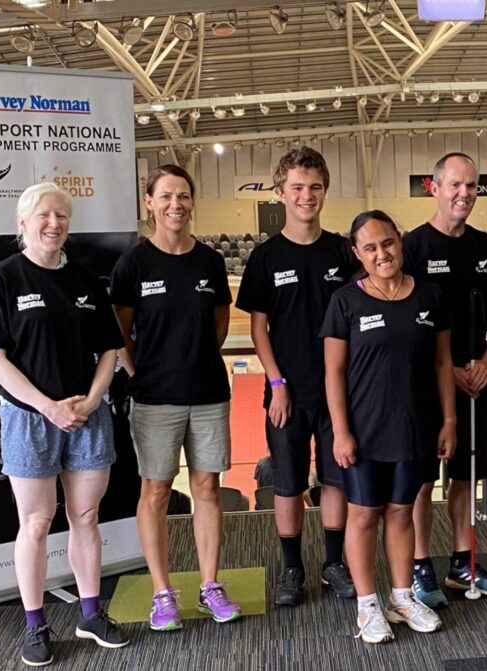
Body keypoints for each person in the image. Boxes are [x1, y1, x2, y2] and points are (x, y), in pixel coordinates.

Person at [0, 183, 129, 666]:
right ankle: (35, 625)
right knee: (34, 522)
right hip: (30, 419)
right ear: (23, 222)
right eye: (44, 216)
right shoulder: (4, 278)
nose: (54, 224)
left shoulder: (86, 281)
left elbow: (111, 348)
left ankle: (90, 614)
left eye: (62, 216)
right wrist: (49, 407)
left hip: (86, 418)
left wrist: (91, 400)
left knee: (86, 517)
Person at [110, 165, 242, 631]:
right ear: (149, 202)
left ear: (192, 202)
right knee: (157, 491)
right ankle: (163, 593)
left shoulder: (208, 261)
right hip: (153, 399)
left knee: (207, 489)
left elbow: (220, 324)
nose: (175, 205)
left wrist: (196, 357)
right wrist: (138, 370)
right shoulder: (133, 265)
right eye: (166, 196)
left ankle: (210, 586)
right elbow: (120, 332)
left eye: (183, 196)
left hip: (207, 393)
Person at [323, 211, 456, 643]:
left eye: (388, 243)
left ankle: (402, 597)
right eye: (371, 247)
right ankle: (367, 607)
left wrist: (449, 419)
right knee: (363, 516)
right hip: (363, 430)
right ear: (357, 253)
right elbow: (334, 373)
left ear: (400, 241)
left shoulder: (430, 296)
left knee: (402, 512)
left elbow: (441, 363)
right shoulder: (346, 301)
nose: (382, 253)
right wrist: (341, 432)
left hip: (415, 426)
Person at [235, 147, 359, 606]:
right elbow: (257, 327)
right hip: (286, 392)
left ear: (324, 191)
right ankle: (291, 569)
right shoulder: (266, 257)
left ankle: (333, 564)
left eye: (315, 187)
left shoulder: (341, 252)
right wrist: (278, 384)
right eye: (298, 188)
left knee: (334, 480)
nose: (307, 196)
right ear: (280, 192)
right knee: (286, 482)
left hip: (337, 394)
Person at [404, 152, 487, 606]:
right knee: (423, 478)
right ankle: (419, 566)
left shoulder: (486, 247)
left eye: (471, 185)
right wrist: (447, 368)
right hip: (426, 383)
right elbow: (404, 319)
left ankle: (462, 562)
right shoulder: (413, 247)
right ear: (435, 188)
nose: (464, 193)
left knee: (464, 475)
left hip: (475, 379)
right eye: (455, 185)